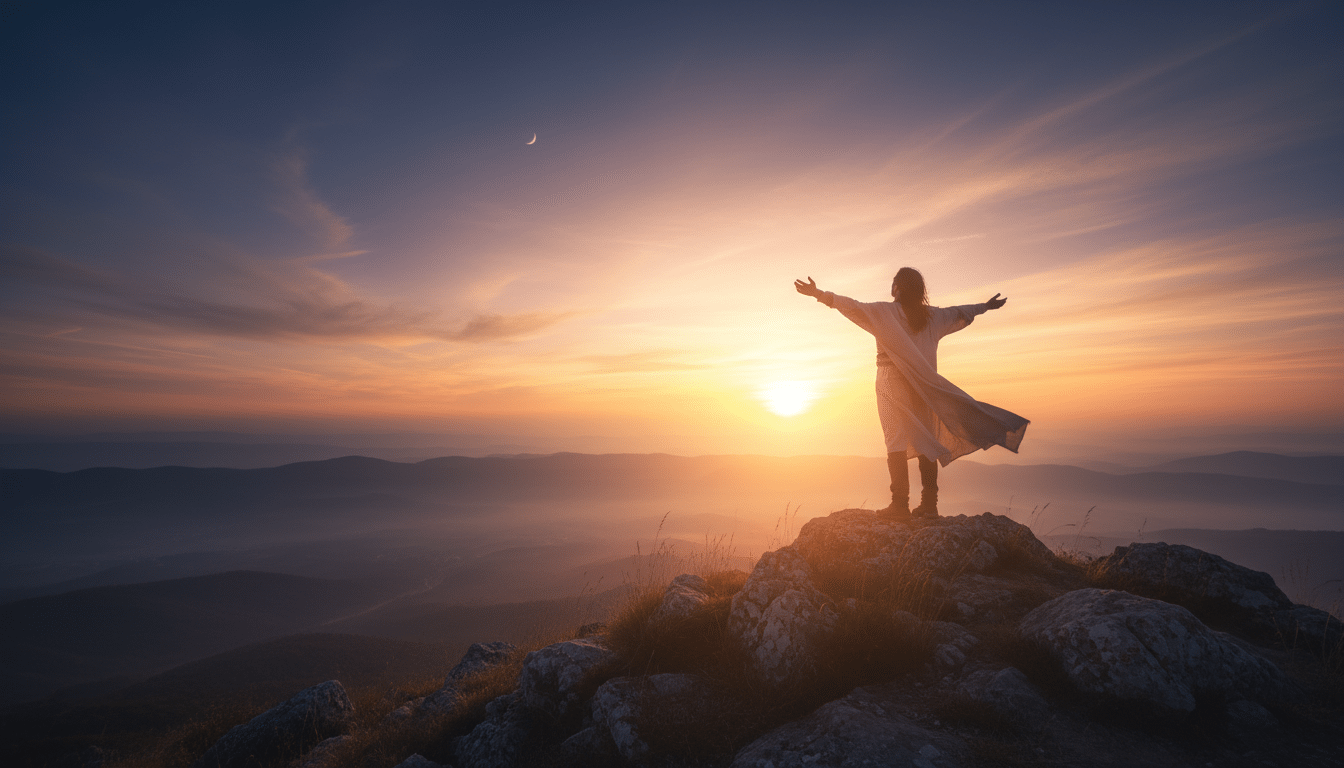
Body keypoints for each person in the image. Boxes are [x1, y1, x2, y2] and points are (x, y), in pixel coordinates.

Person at [794, 268, 1028, 519]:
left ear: (898, 288)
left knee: (894, 440)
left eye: (893, 284)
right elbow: (960, 312)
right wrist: (985, 306)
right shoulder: (932, 317)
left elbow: (851, 306)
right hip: (923, 386)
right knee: (925, 438)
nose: (890, 288)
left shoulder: (884, 312)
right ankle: (929, 504)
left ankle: (899, 505)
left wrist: (818, 293)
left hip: (890, 381)